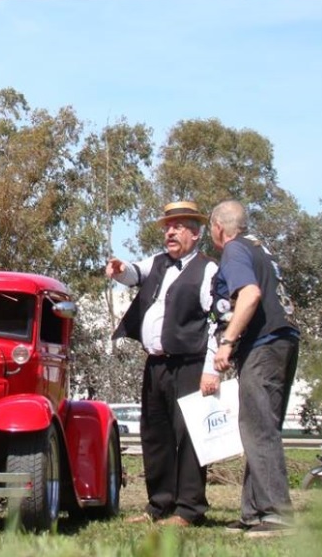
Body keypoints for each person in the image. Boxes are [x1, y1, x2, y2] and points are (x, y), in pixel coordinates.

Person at [107, 200, 220, 527]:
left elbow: (216, 321)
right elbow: (133, 273)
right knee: (154, 435)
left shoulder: (207, 269)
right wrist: (119, 268)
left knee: (189, 437)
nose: (170, 231)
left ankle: (189, 510)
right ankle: (159, 506)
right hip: (155, 366)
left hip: (189, 365)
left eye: (179, 226)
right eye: (168, 226)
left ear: (196, 234)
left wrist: (212, 368)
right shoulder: (157, 262)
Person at [209, 199, 299, 538]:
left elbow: (249, 294)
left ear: (218, 228)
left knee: (259, 427)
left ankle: (277, 513)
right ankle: (253, 511)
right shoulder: (260, 248)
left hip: (263, 343)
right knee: (258, 423)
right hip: (283, 339)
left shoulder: (233, 251)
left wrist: (228, 341)